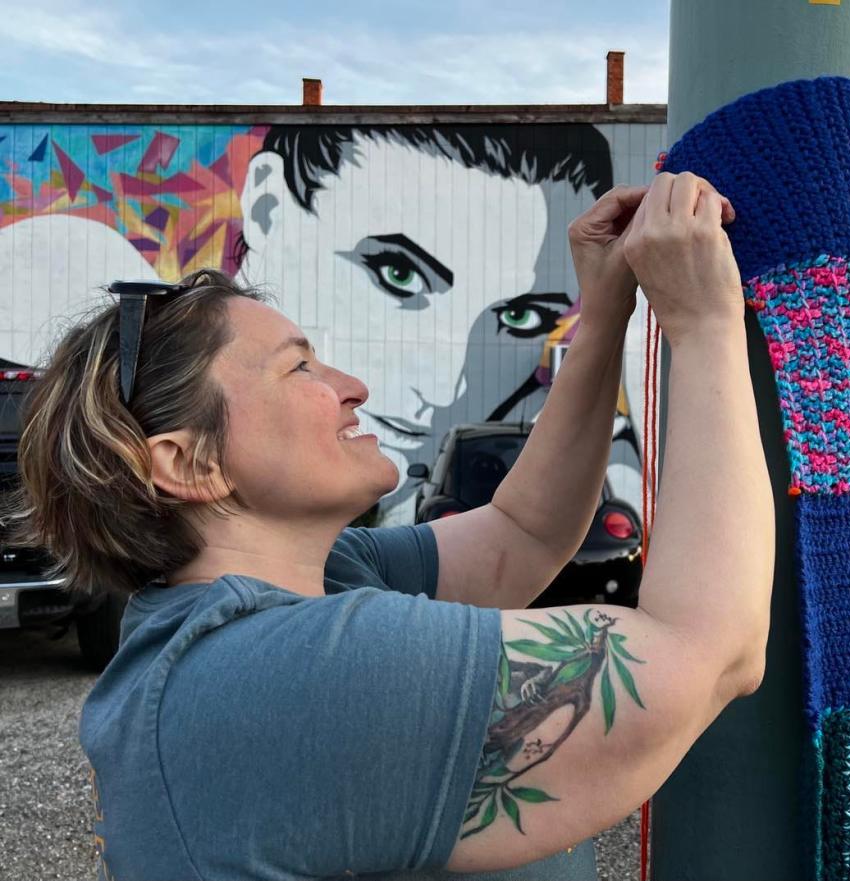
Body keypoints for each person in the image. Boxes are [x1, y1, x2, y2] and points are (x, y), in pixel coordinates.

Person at [6, 172, 774, 879]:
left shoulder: (316, 581)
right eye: (299, 367)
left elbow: (522, 533)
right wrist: (704, 322)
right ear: (187, 463)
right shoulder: (267, 674)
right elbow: (708, 652)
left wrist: (603, 310)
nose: (351, 386)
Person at [238, 123, 642, 521]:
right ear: (267, 205)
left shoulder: (361, 558)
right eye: (398, 274)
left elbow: (522, 538)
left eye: (520, 316)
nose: (445, 391)